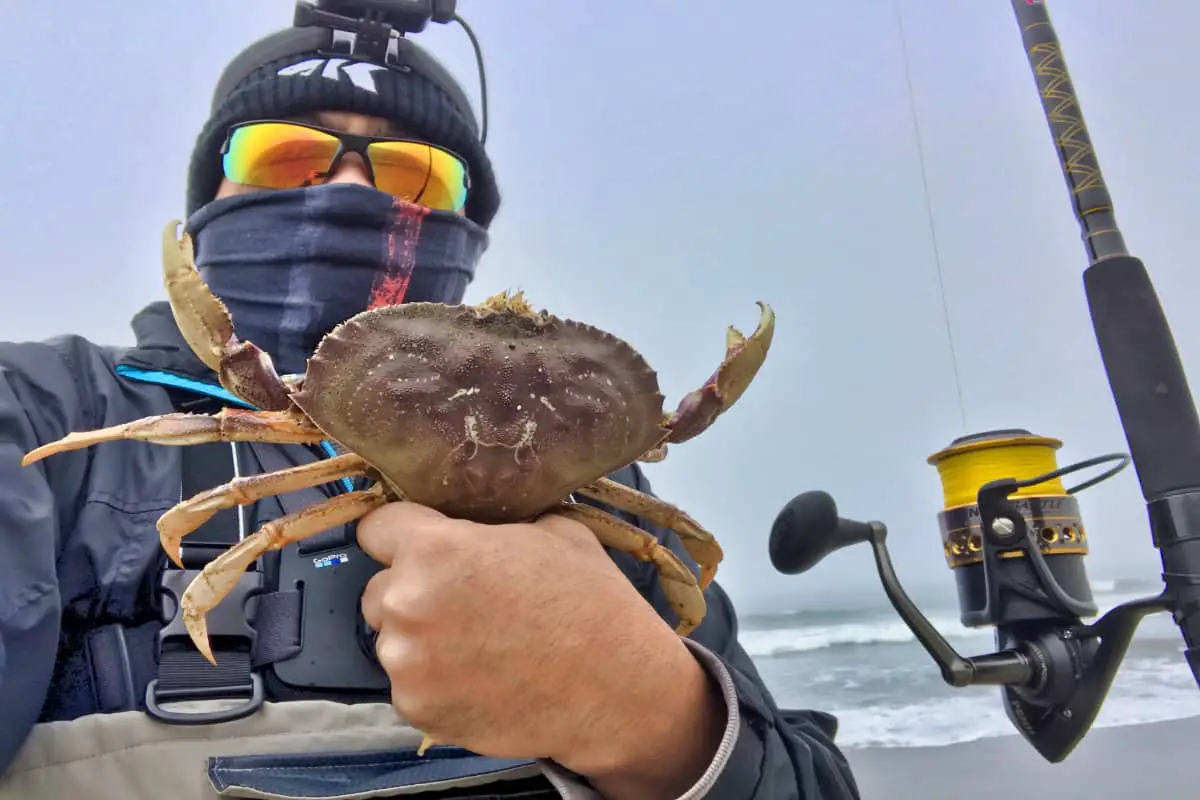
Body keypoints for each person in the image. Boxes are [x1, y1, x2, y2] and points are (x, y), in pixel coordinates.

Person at [0, 11, 861, 800]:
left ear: (467, 226)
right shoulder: (43, 418)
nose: (348, 189)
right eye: (283, 156)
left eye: (413, 173)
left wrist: (663, 717)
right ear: (207, 202)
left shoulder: (614, 489)